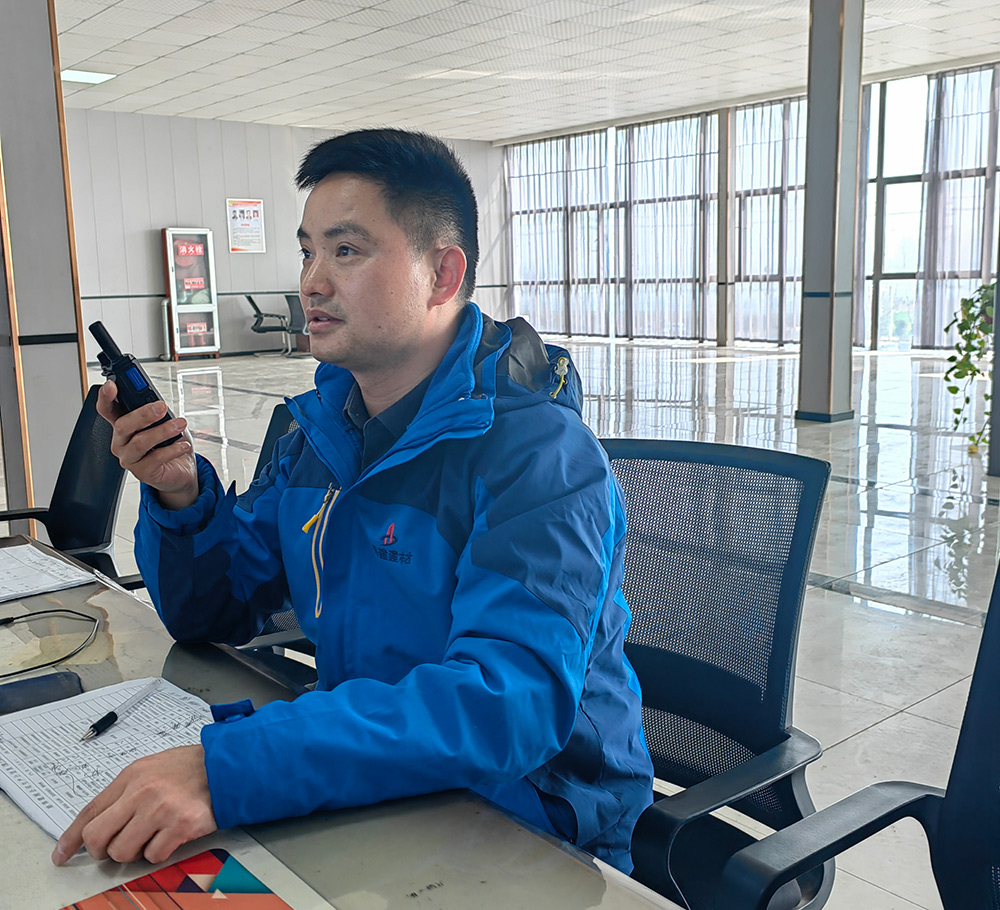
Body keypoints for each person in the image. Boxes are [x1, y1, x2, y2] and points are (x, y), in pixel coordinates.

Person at [53, 128, 653, 873]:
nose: (311, 281)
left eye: (346, 251)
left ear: (442, 273)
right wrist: (179, 496)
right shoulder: (322, 435)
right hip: (370, 777)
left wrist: (230, 769)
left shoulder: (539, 458)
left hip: (534, 818)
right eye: (308, 251)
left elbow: (507, 704)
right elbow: (214, 614)